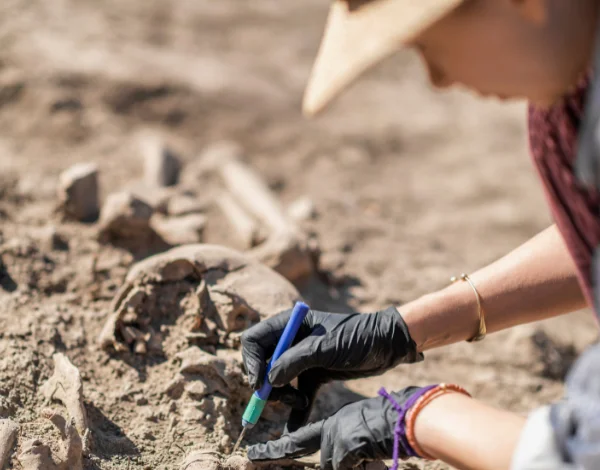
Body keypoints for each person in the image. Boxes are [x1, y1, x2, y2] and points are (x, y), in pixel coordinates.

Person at [240, 1, 600, 469]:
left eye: (426, 43)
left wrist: (417, 418)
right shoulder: (569, 103)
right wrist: (401, 329)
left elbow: (580, 453)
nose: (438, 78)